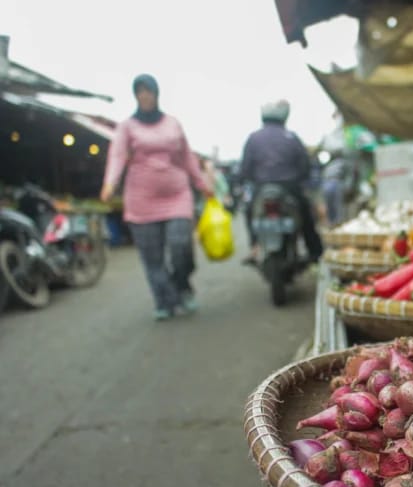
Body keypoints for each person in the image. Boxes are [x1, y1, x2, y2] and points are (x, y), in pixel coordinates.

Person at [100, 74, 213, 321]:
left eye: (148, 90)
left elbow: (187, 157)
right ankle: (164, 301)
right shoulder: (127, 127)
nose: (144, 96)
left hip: (177, 195)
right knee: (153, 259)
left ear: (156, 93)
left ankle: (181, 286)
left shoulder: (172, 123)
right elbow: (117, 156)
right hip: (141, 201)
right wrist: (110, 184)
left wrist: (202, 184)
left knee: (181, 245)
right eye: (139, 92)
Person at [239, 100, 323, 263]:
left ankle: (254, 246)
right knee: (306, 216)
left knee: (249, 211)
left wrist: (247, 180)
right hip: (290, 187)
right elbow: (304, 165)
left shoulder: (254, 138)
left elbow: (245, 168)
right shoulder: (291, 137)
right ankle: (315, 251)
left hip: (261, 187)